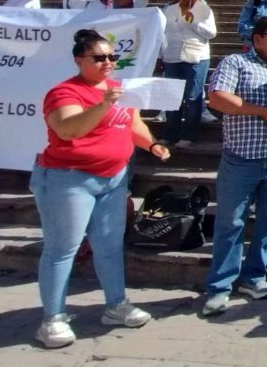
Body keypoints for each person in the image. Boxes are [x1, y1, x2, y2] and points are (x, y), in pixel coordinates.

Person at [32, 29, 171, 348]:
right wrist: (103, 104)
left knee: (109, 246)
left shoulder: (120, 89)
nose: (108, 62)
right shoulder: (64, 92)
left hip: (113, 178)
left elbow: (134, 125)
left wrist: (153, 145)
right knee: (62, 248)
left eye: (112, 57)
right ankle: (52, 318)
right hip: (69, 177)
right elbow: (68, 129)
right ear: (80, 60)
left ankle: (116, 304)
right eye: (99, 57)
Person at [202, 16, 267, 317]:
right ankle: (219, 287)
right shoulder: (235, 63)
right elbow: (217, 98)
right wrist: (262, 112)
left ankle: (255, 277)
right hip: (241, 156)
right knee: (231, 223)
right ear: (256, 39)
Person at [161, 0, 217, 148]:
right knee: (172, 96)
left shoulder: (204, 10)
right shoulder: (169, 10)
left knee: (193, 96)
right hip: (172, 56)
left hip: (196, 56)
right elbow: (163, 32)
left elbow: (212, 33)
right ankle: (170, 133)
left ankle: (189, 135)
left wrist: (194, 23)